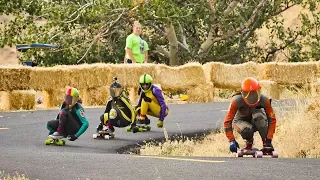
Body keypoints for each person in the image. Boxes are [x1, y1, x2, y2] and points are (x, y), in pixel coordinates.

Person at [223, 77, 277, 153]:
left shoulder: (265, 100)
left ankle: (265, 143)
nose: (252, 97)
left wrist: (269, 139)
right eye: (248, 95)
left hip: (256, 122)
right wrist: (232, 140)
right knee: (246, 129)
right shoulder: (236, 101)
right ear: (242, 93)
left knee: (259, 117)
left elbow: (272, 119)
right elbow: (227, 122)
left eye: (254, 93)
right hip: (241, 122)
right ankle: (249, 143)